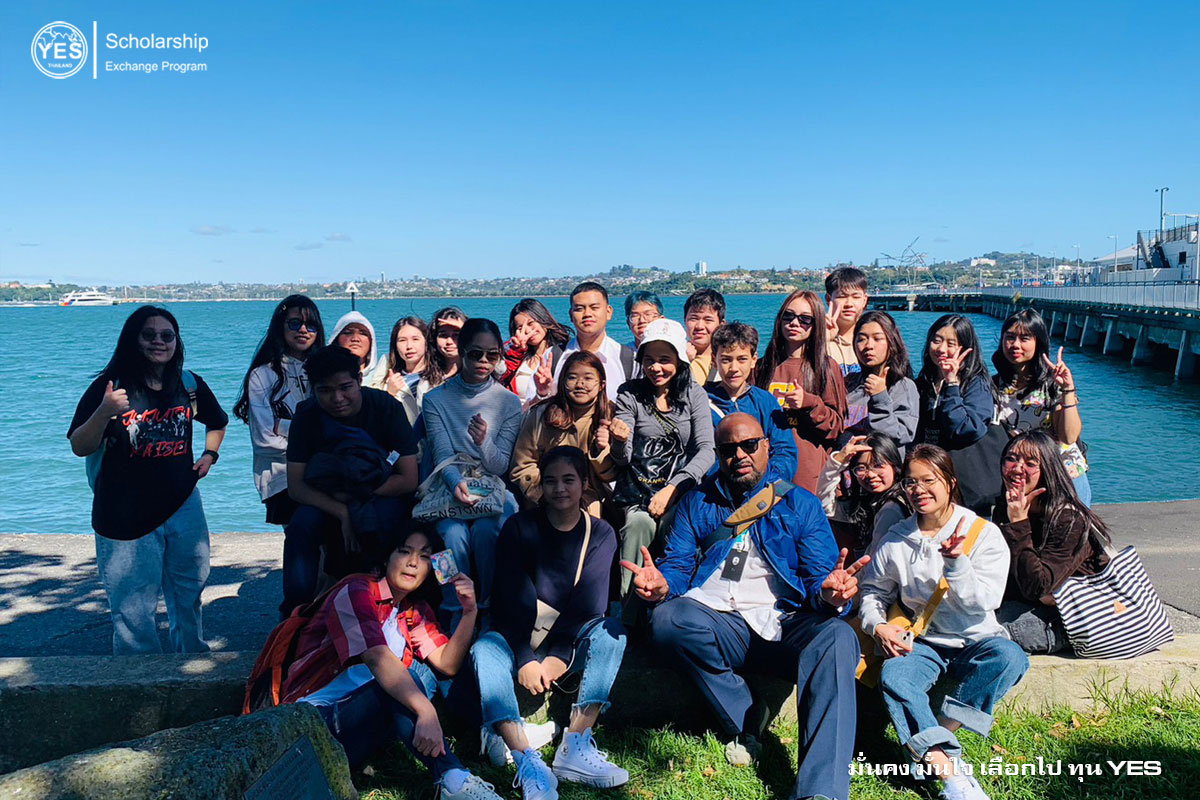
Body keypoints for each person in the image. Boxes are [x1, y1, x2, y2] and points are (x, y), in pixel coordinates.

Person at [627, 413, 866, 800]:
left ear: (766, 447)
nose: (739, 455)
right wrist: (661, 585)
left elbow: (820, 579)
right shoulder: (698, 502)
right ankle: (747, 712)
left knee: (838, 637)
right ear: (718, 455)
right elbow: (677, 566)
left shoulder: (800, 504)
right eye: (728, 449)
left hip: (782, 624)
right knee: (669, 618)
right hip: (719, 622)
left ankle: (820, 791)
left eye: (749, 445)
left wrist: (830, 595)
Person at [858, 444, 1027, 800]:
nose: (918, 490)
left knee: (1010, 658)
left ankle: (935, 736)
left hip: (975, 639)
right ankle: (951, 774)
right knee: (895, 676)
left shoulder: (982, 534)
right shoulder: (896, 539)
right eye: (911, 482)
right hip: (923, 641)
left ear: (949, 482)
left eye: (928, 480)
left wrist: (956, 562)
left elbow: (984, 602)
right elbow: (873, 592)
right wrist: (878, 626)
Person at [283, 530, 505, 800]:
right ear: (386, 558)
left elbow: (447, 664)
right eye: (404, 551)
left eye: (424, 556)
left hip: (362, 722)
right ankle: (453, 778)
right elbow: (378, 658)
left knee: (429, 672)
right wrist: (426, 711)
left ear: (431, 569)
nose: (413, 562)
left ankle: (495, 731)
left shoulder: (413, 610)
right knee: (402, 678)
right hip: (317, 724)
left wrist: (469, 611)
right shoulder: (356, 590)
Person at [68, 305, 227, 655]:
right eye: (149, 335)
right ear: (133, 340)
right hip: (124, 514)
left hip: (183, 505)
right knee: (133, 612)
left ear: (176, 341)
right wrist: (104, 411)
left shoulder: (188, 384)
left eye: (167, 335)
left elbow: (217, 422)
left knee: (189, 594)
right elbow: (80, 445)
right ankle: (138, 680)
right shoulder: (110, 387)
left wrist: (209, 455)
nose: (159, 342)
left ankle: (191, 667)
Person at [473, 447, 629, 798]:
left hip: (569, 638)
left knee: (612, 633)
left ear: (584, 484)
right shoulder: (519, 527)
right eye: (550, 481)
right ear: (540, 485)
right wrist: (524, 658)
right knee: (484, 650)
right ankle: (524, 756)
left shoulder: (601, 533)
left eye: (568, 480)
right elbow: (509, 598)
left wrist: (559, 654)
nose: (559, 489)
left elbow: (590, 603)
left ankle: (576, 742)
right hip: (517, 635)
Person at [282, 346, 420, 617]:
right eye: (325, 390)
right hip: (330, 498)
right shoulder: (307, 414)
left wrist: (357, 503)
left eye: (345, 387)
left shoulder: (385, 407)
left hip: (380, 492)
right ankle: (295, 613)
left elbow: (408, 478)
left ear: (359, 379)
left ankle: (383, 607)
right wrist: (343, 511)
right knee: (301, 527)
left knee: (382, 521)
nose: (337, 398)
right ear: (313, 390)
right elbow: (297, 487)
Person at [421, 318, 524, 618]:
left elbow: (499, 465)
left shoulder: (509, 402)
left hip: (490, 484)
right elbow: (441, 452)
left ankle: (489, 604)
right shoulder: (435, 399)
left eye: (492, 355)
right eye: (475, 354)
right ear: (462, 351)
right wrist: (455, 483)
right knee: (449, 537)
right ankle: (453, 607)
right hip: (448, 481)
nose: (483, 362)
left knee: (488, 531)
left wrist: (483, 442)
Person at [611, 318, 715, 598]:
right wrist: (619, 441)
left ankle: (674, 598)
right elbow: (622, 459)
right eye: (649, 360)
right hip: (641, 489)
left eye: (665, 360)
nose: (656, 367)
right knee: (638, 523)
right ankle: (630, 604)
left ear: (679, 360)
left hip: (681, 490)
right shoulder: (630, 394)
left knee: (678, 523)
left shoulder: (694, 393)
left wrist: (673, 488)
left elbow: (707, 449)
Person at [994, 430, 1110, 654]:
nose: (1017, 468)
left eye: (1030, 463)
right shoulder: (1007, 505)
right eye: (1011, 459)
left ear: (1048, 468)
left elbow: (1036, 586)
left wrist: (1018, 523)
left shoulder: (1068, 518)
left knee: (989, 635)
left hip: (1073, 619)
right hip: (1030, 604)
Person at [234, 295, 325, 526]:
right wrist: (314, 444)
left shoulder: (325, 372)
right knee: (303, 536)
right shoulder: (263, 375)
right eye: (295, 323)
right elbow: (264, 441)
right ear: (280, 326)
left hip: (324, 472)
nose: (303, 330)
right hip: (281, 479)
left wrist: (282, 425)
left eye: (311, 325)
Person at [991, 309, 1091, 506]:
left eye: (1025, 338)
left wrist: (1067, 388)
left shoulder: (1051, 384)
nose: (1015, 344)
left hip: (1064, 474)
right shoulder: (994, 385)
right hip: (1022, 478)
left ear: (1038, 342)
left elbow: (1069, 437)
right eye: (1010, 337)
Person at [755, 289, 847, 494]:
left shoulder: (826, 368)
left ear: (816, 325)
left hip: (809, 476)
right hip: (766, 472)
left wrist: (809, 404)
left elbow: (836, 427)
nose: (794, 323)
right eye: (788, 316)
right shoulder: (761, 367)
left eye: (805, 319)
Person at [510, 351, 616, 516]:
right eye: (572, 378)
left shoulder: (611, 416)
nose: (580, 384)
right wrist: (544, 495)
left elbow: (614, 474)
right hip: (546, 497)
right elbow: (522, 465)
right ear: (562, 381)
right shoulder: (542, 414)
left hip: (593, 502)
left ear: (601, 384)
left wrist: (602, 451)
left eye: (588, 378)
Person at [914, 315, 998, 512]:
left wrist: (952, 384)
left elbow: (967, 429)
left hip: (967, 486)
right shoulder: (923, 383)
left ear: (966, 348)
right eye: (936, 340)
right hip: (931, 481)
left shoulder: (976, 383)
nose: (941, 349)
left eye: (951, 344)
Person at [705, 322, 798, 482]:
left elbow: (785, 450)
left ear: (754, 360)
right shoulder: (702, 401)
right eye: (726, 360)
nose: (734, 368)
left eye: (742, 359)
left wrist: (766, 481)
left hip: (762, 485)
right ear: (714, 360)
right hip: (716, 487)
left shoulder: (766, 401)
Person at [817, 432, 911, 559]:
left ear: (894, 466)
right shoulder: (867, 502)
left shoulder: (892, 509)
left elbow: (877, 559)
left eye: (878, 466)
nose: (871, 474)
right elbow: (825, 507)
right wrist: (838, 460)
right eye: (861, 468)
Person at [843, 310, 918, 452]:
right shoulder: (848, 382)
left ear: (892, 342)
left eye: (877, 339)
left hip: (879, 464)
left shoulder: (903, 387)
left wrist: (879, 397)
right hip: (843, 463)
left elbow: (901, 435)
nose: (868, 345)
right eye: (861, 339)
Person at [551, 282, 635, 402]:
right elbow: (532, 407)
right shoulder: (554, 356)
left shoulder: (628, 359)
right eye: (579, 309)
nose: (587, 314)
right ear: (571, 314)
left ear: (608, 312)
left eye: (594, 308)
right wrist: (542, 393)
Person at [501, 299, 571, 404]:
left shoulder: (563, 352)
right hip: (518, 412)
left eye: (530, 323)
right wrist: (516, 350)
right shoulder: (515, 355)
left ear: (543, 319)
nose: (527, 330)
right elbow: (498, 376)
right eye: (520, 328)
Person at [382, 315, 429, 424]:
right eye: (402, 340)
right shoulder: (388, 379)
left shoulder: (439, 377)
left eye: (415, 339)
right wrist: (390, 394)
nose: (409, 346)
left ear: (426, 342)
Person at [417, 307, 468, 406]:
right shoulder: (427, 382)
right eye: (443, 335)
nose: (449, 341)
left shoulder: (477, 374)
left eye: (456, 335)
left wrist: (467, 328)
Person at [824, 267, 870, 377]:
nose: (849, 303)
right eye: (842, 296)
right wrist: (823, 340)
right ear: (829, 299)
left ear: (864, 300)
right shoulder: (816, 340)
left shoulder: (873, 341)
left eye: (856, 297)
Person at [683, 288, 725, 385]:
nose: (699, 326)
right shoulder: (674, 357)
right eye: (693, 318)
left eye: (708, 320)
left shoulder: (728, 359)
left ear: (721, 324)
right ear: (685, 320)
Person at [329, 311, 382, 386]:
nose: (355, 339)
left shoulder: (383, 377)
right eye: (348, 333)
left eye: (363, 333)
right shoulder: (324, 376)